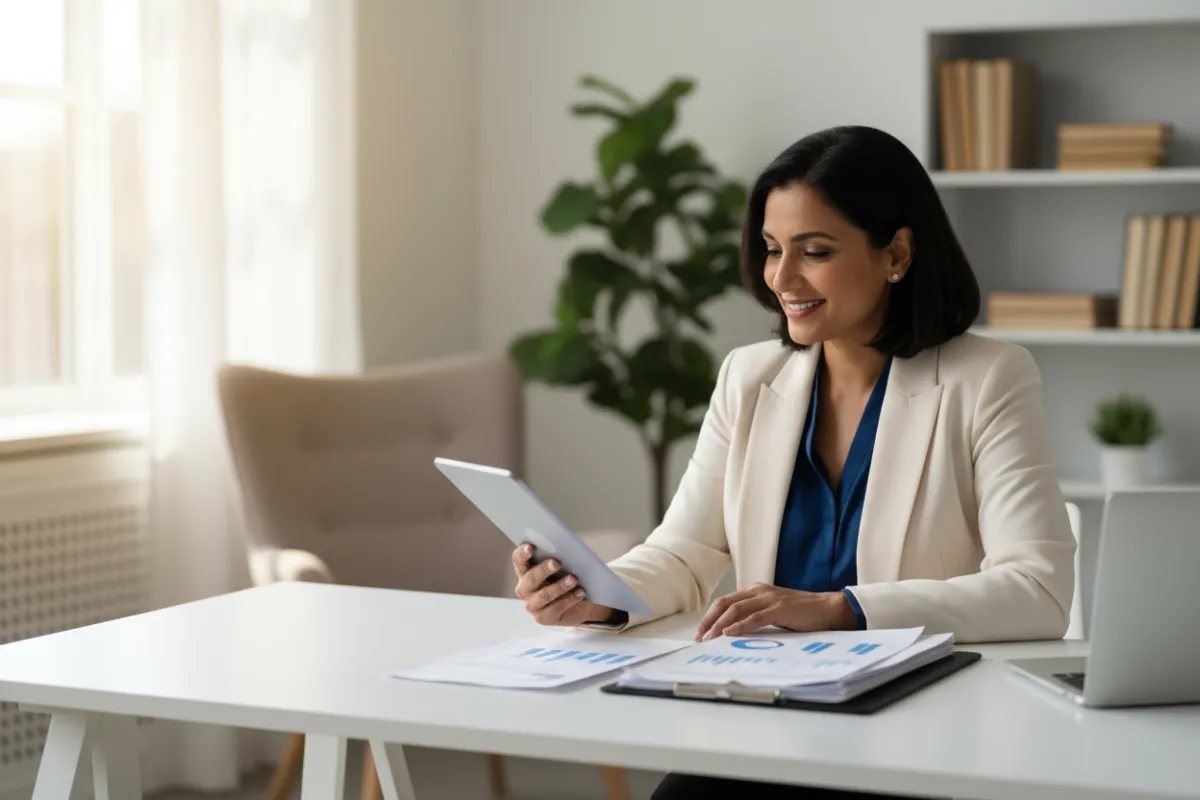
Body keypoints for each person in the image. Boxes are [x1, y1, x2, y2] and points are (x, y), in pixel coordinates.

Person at [510, 125, 1077, 799]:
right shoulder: (750, 378)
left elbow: (1037, 591)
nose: (782, 277)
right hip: (766, 722)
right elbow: (686, 550)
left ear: (896, 251)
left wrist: (842, 610)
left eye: (815, 251)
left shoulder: (989, 377)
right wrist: (595, 596)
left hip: (915, 734)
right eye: (773, 250)